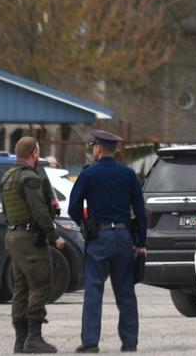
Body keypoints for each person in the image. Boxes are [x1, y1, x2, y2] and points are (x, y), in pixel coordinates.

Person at [68, 130, 147, 354]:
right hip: (123, 238)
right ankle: (130, 342)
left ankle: (91, 342)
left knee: (94, 290)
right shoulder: (128, 174)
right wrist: (141, 242)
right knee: (125, 291)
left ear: (99, 149)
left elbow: (73, 207)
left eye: (93, 147)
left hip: (99, 238)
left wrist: (86, 226)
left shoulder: (89, 174)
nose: (93, 150)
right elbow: (140, 211)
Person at [2, 137, 67, 354]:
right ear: (34, 154)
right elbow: (39, 211)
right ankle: (33, 337)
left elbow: (6, 211)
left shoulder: (8, 177)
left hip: (13, 236)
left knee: (21, 287)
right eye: (38, 151)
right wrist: (54, 236)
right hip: (29, 239)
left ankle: (20, 341)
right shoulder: (30, 178)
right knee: (41, 284)